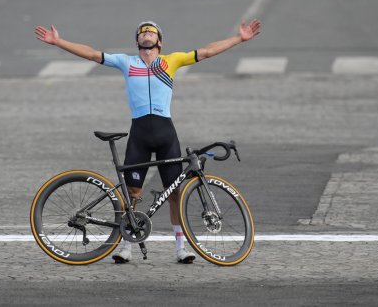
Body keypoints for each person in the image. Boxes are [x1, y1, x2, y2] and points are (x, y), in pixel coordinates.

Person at [34, 19, 261, 263]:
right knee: (133, 192)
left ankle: (180, 249)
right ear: (137, 41)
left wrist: (239, 39)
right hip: (139, 134)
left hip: (166, 134)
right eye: (142, 32)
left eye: (151, 31)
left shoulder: (171, 61)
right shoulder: (126, 62)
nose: (146, 34)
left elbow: (206, 52)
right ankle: (126, 247)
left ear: (159, 41)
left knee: (175, 193)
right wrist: (58, 42)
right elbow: (91, 54)